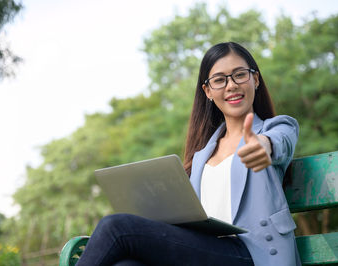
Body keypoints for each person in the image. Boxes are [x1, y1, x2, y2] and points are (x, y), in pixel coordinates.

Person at [76, 42, 301, 266]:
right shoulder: (202, 156)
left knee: (116, 228)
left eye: (240, 75)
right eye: (220, 80)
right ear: (208, 91)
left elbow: (280, 141)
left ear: (256, 79)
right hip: (205, 250)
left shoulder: (276, 128)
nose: (231, 85)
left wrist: (263, 145)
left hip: (252, 254)